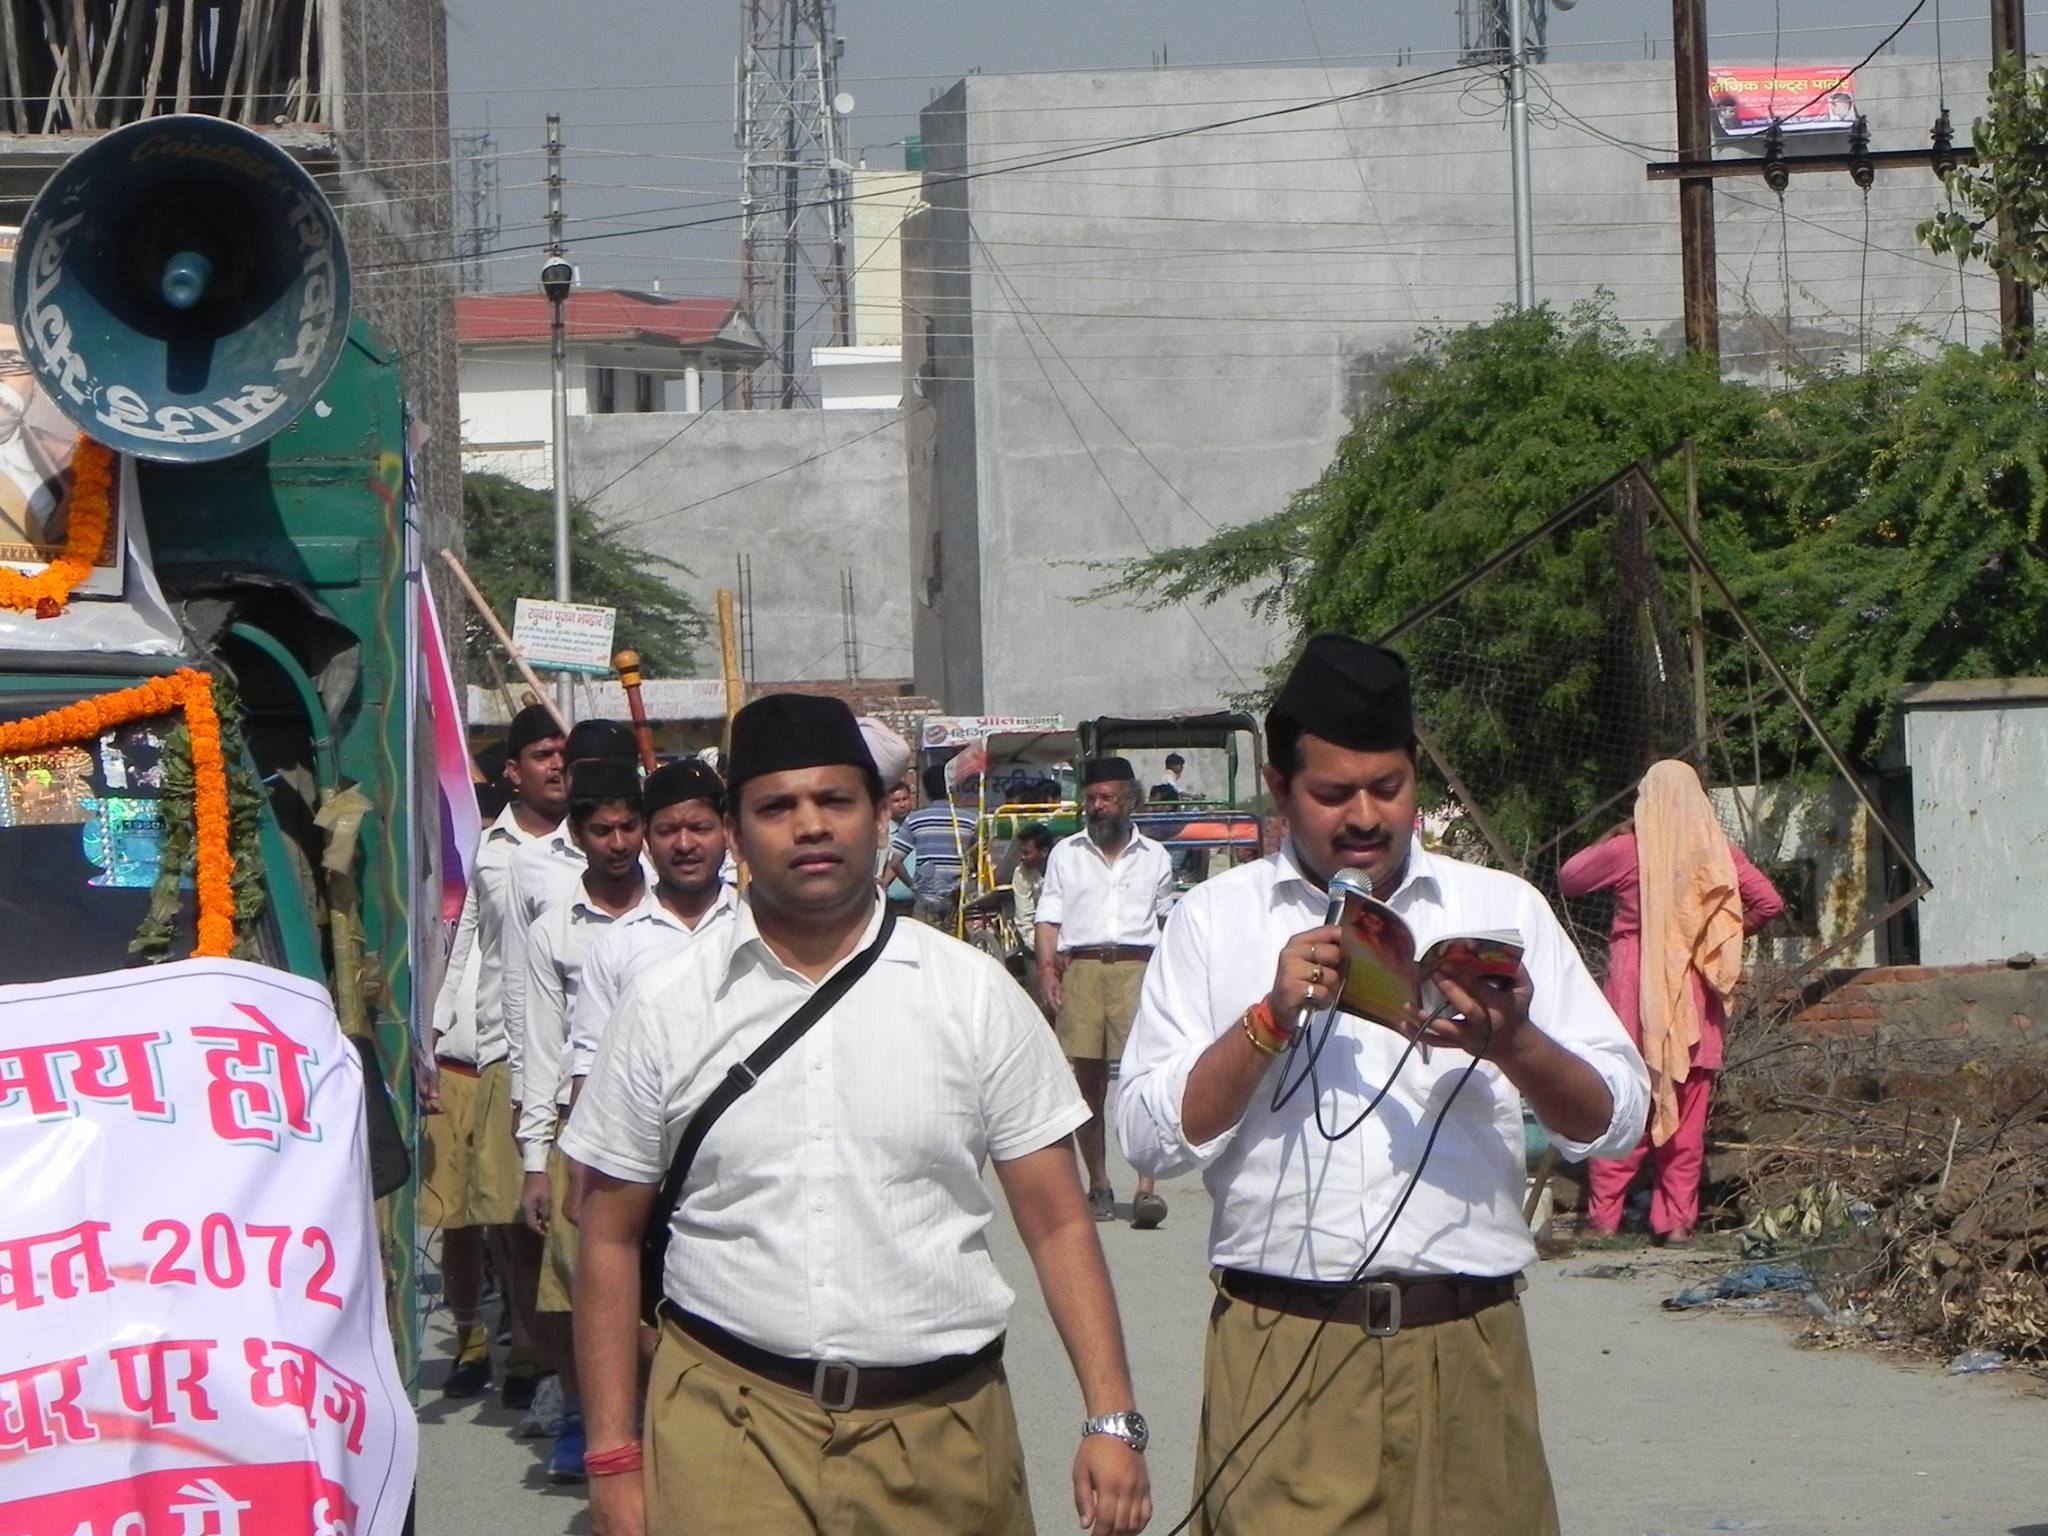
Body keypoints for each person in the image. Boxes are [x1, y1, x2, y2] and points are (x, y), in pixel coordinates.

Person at [563, 693, 1152, 1536]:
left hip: (940, 1435)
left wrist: (1111, 1418)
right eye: (776, 807)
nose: (809, 826)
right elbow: (609, 1237)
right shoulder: (665, 1006)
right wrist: (614, 1458)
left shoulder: (972, 995)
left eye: (835, 801)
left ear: (881, 817)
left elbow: (1058, 1223)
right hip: (730, 1430)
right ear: (735, 832)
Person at [1115, 634, 1649, 1536]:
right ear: (1281, 793)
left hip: (1468, 1349)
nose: (1364, 816)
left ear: (1415, 783)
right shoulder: (1214, 921)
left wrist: (1516, 1044)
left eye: (1389, 788)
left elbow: (1619, 1119)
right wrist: (1267, 1021)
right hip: (1288, 1346)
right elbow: (1146, 1137)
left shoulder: (1503, 908)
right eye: (1332, 795)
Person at [1558, 759, 1784, 1245]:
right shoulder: (1719, 856)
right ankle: (1677, 1225)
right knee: (1686, 1121)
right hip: (1696, 1008)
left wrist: (1614, 834)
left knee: (1626, 1112)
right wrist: (1720, 933)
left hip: (1633, 1007)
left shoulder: (1629, 851)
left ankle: (1603, 1221)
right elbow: (1769, 903)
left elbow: (1571, 878)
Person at [517, 756, 656, 1482]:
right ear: (579, 836)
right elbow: (541, 1047)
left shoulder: (688, 913)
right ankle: (586, 1418)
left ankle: (659, 1421)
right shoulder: (553, 930)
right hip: (588, 1127)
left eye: (630, 826)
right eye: (601, 830)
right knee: (579, 1287)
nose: (618, 842)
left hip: (670, 1130)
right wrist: (538, 1160)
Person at [433, 702, 567, 1409]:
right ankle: (521, 1346)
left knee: (562, 1219)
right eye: (542, 755)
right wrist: (435, 1032)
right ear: (513, 772)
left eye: (563, 753)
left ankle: (551, 1358)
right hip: (497, 1051)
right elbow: (466, 948)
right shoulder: (488, 848)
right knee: (505, 1219)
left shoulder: (594, 845)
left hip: (572, 1055)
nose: (557, 766)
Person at [1035, 759, 1177, 1230]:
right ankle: (1098, 1183)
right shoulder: (1065, 853)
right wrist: (1047, 972)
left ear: (1129, 801)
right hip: (1084, 970)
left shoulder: (1155, 856)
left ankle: (1146, 1189)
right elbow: (1048, 918)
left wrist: (1171, 980)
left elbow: (1165, 922)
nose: (1097, 806)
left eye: (1107, 798)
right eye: (1092, 798)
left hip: (1139, 970)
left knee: (1143, 1080)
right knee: (1087, 1083)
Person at [569, 759, 738, 1093]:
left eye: (701, 828)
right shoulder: (618, 944)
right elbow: (590, 1065)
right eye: (667, 831)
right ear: (646, 838)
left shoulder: (756, 927)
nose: (685, 844)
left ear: (728, 832)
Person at [884, 761, 981, 930]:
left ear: (926, 791)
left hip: (927, 900)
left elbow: (895, 863)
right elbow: (978, 859)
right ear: (951, 787)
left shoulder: (914, 820)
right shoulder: (970, 820)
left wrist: (915, 887)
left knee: (926, 949)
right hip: (959, 898)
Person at [1011, 822, 1054, 1002]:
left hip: (1064, 934)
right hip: (1034, 938)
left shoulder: (1062, 866)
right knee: (1039, 991)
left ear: (1044, 852)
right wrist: (1043, 950)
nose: (1022, 857)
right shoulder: (1020, 874)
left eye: (1027, 853)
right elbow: (1024, 919)